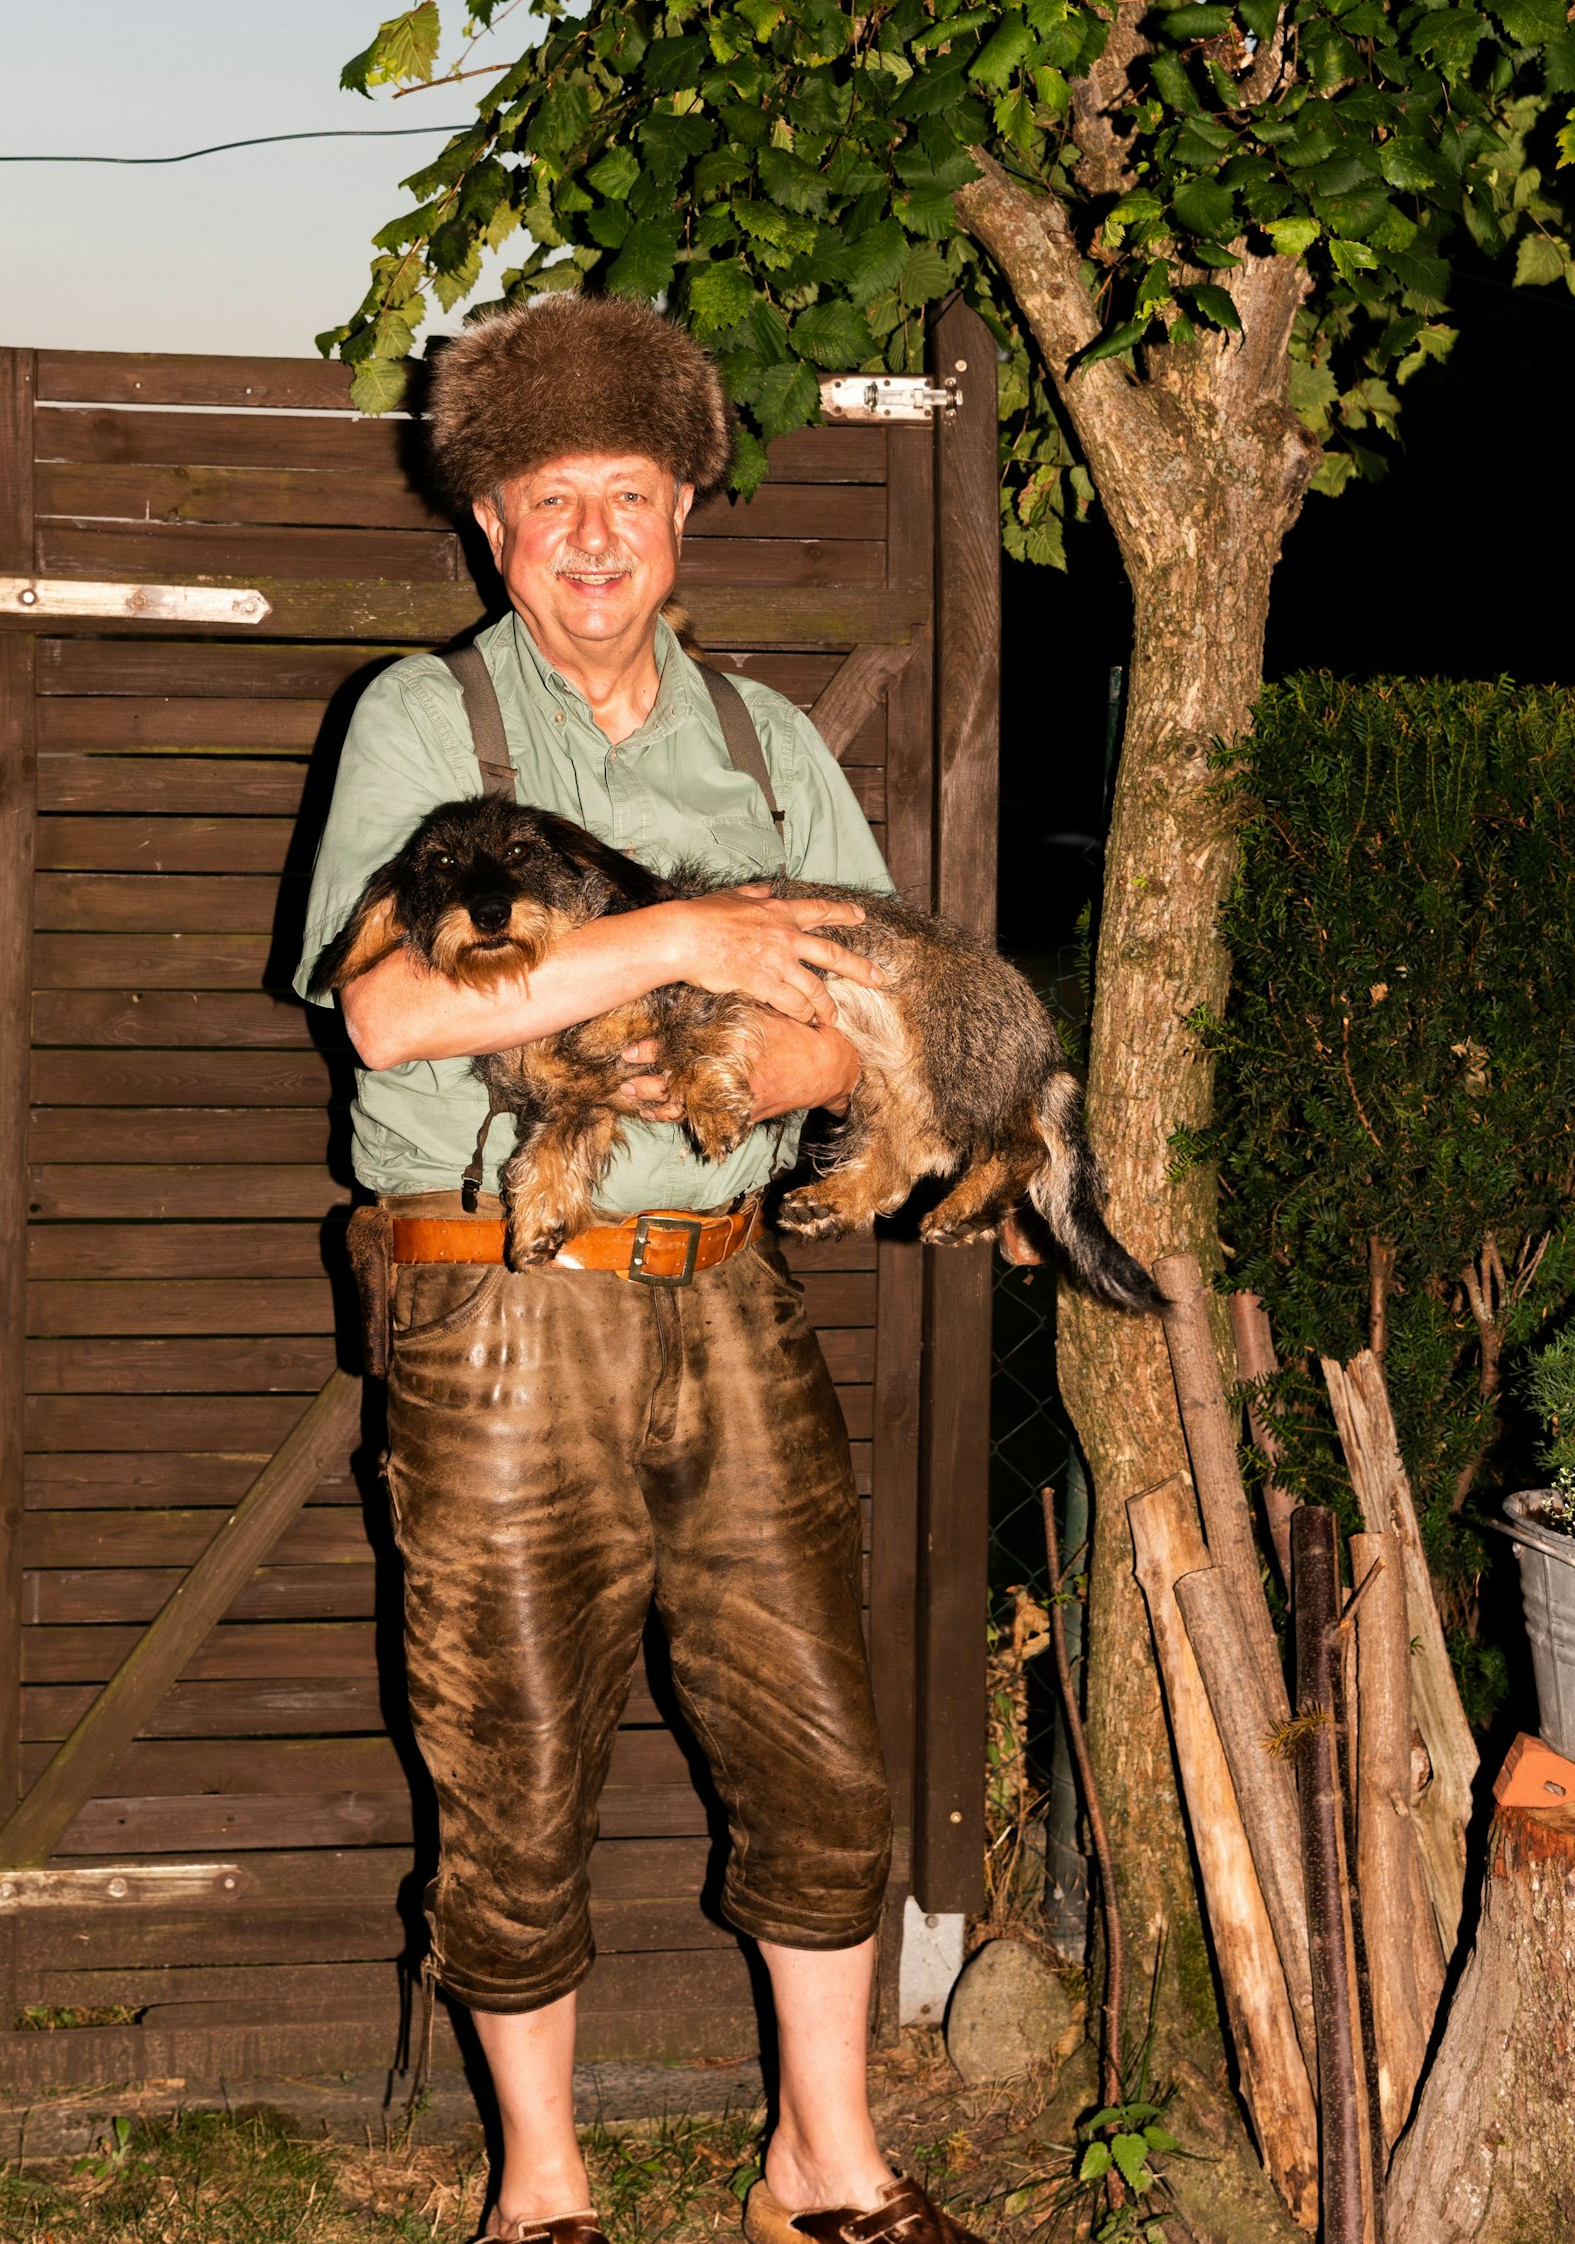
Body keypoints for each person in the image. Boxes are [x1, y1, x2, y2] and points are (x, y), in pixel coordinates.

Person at [296, 298, 981, 2244]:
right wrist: (689, 936)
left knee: (826, 1750)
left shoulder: (765, 744)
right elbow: (399, 1010)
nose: (590, 538)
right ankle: (541, 2191)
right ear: (489, 532)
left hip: (730, 1288)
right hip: (495, 1303)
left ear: (687, 510)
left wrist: (710, 1056)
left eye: (628, 495)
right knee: (509, 1755)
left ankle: (823, 2173)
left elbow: (868, 1027)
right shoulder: (429, 727)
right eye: (546, 504)